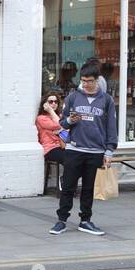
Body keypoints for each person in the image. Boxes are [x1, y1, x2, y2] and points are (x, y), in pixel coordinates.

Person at [50, 63, 117, 235]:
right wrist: (71, 121)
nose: (86, 84)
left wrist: (109, 151)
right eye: (83, 81)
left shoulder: (106, 100)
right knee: (68, 187)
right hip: (74, 149)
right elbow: (62, 123)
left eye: (90, 81)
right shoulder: (73, 97)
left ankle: (85, 220)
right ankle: (61, 220)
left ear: (97, 80)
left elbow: (111, 128)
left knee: (88, 189)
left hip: (96, 151)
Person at [36, 91, 66, 165]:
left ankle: (67, 176)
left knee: (78, 158)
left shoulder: (59, 116)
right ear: (45, 104)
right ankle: (66, 177)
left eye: (56, 102)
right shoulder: (41, 118)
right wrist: (51, 111)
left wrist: (62, 128)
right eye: (50, 102)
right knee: (69, 160)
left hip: (62, 146)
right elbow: (59, 124)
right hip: (50, 149)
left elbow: (66, 125)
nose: (54, 104)